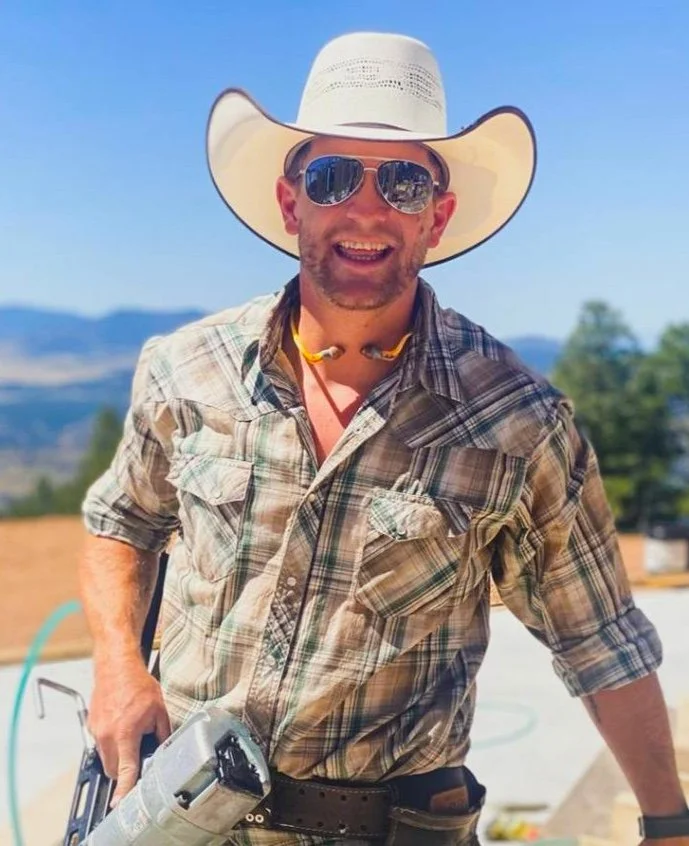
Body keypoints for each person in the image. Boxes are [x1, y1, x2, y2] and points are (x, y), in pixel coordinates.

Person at [79, 32, 689, 846]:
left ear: (437, 217)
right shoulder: (186, 369)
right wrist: (118, 667)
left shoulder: (517, 422)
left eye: (403, 183)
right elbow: (122, 521)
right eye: (332, 177)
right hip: (179, 817)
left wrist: (667, 822)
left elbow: (597, 640)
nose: (366, 210)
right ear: (291, 203)